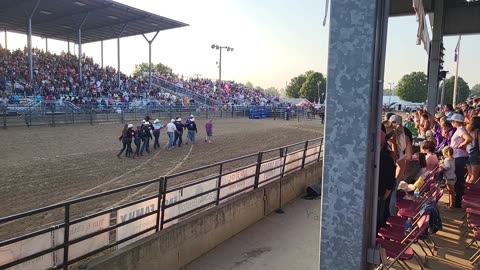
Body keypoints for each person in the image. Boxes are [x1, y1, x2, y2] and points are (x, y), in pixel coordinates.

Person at [448, 113, 472, 208]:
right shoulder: (461, 129)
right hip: (460, 156)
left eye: (452, 121)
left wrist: (460, 146)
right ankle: (458, 201)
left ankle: (458, 202)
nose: (451, 122)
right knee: (459, 179)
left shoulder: (460, 130)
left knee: (458, 179)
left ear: (456, 122)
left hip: (459, 157)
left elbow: (469, 139)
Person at [467, 116, 480, 184]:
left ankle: (463, 191)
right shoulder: (478, 132)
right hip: (476, 155)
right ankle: (468, 191)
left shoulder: (468, 131)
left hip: (468, 154)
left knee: (469, 175)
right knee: (474, 177)